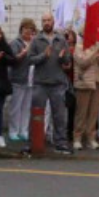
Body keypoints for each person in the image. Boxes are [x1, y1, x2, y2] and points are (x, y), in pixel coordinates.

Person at [26, 13, 72, 155]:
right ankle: (34, 142)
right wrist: (43, 56)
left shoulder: (61, 39)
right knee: (37, 114)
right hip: (40, 83)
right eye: (44, 20)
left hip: (57, 83)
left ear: (53, 22)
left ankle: (61, 143)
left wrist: (63, 57)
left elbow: (68, 60)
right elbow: (29, 60)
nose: (46, 22)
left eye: (49, 20)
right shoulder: (36, 40)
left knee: (59, 115)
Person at [73, 31, 99, 150]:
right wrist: (94, 53)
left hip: (97, 82)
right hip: (84, 83)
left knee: (94, 113)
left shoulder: (97, 46)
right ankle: (77, 138)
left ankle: (91, 137)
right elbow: (82, 62)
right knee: (82, 113)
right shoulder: (79, 46)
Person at [6, 19, 37, 144]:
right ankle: (13, 131)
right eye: (25, 29)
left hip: (31, 78)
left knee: (26, 107)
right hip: (18, 78)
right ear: (21, 30)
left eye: (30, 29)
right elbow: (13, 59)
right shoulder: (16, 43)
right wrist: (25, 51)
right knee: (16, 106)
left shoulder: (35, 43)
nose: (28, 32)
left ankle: (23, 130)